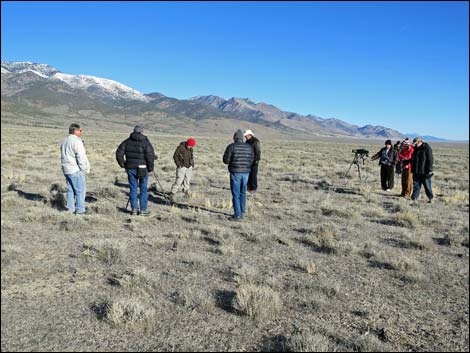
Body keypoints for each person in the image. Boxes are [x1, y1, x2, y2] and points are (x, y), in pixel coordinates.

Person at [116, 125, 156, 215]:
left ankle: (134, 209)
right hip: (143, 168)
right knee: (143, 189)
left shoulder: (126, 142)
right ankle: (143, 210)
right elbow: (150, 156)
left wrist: (124, 165)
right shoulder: (146, 143)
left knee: (133, 188)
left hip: (130, 168)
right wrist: (150, 168)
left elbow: (119, 153)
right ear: (142, 132)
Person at [223, 129, 254, 221]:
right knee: (243, 192)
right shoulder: (249, 147)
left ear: (234, 138)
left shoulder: (231, 147)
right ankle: (242, 212)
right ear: (242, 138)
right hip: (246, 173)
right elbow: (251, 160)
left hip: (235, 172)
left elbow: (226, 160)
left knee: (236, 194)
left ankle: (237, 214)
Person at [60, 123, 90, 214]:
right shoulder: (77, 141)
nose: (81, 132)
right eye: (80, 130)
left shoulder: (65, 140)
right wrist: (84, 168)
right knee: (80, 190)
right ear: (75, 131)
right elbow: (81, 156)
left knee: (70, 190)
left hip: (66, 168)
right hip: (75, 169)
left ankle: (70, 209)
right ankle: (80, 210)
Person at [411, 137, 434, 203]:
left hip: (424, 171)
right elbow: (413, 159)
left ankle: (430, 198)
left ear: (419, 142)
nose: (415, 145)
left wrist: (430, 169)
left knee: (427, 185)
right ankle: (414, 198)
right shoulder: (415, 149)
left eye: (415, 144)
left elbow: (430, 159)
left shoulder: (426, 148)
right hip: (416, 170)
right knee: (416, 185)